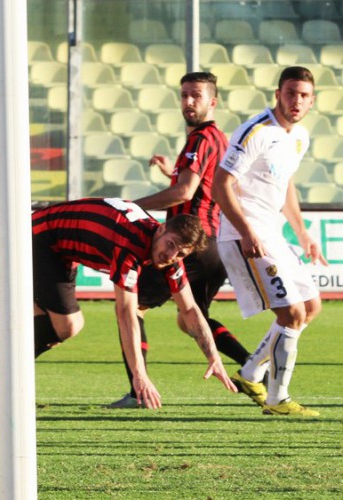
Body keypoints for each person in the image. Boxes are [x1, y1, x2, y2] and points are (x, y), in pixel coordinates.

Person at [0, 198, 238, 417]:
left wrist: (213, 356)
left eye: (181, 253)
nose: (171, 255)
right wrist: (139, 375)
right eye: (171, 244)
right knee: (67, 326)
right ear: (162, 228)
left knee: (54, 329)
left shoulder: (167, 255)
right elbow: (126, 312)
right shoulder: (132, 243)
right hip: (40, 237)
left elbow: (189, 310)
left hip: (59, 247)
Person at [106, 72, 252, 409]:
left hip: (186, 244)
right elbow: (207, 187)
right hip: (212, 245)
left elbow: (185, 192)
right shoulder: (219, 139)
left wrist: (130, 206)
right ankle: (252, 363)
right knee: (190, 319)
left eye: (196, 95)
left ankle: (137, 392)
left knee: (133, 307)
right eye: (184, 94)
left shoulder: (200, 139)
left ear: (213, 102)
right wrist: (168, 171)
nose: (188, 102)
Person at [212, 66, 325, 417]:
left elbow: (285, 184)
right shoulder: (256, 131)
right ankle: (277, 399)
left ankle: (250, 372)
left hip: (273, 231)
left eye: (304, 95)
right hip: (245, 233)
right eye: (291, 92)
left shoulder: (299, 137)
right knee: (290, 314)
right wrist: (247, 232)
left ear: (312, 101)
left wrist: (303, 233)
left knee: (311, 308)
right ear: (278, 94)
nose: (297, 100)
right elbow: (220, 185)